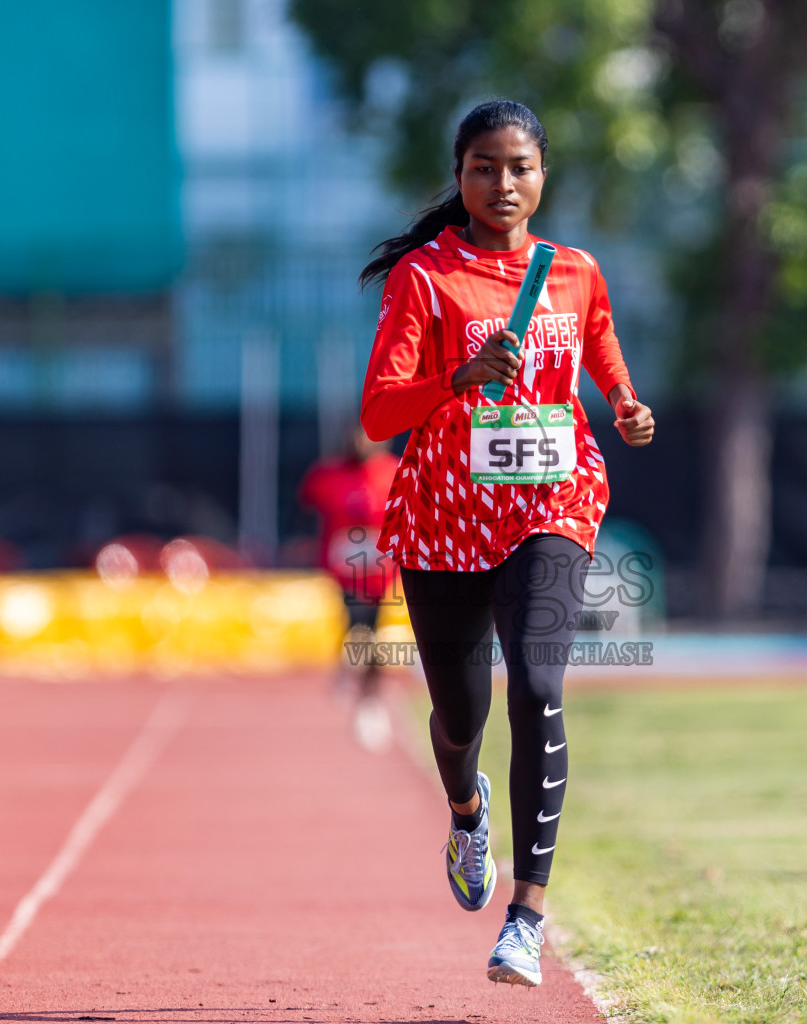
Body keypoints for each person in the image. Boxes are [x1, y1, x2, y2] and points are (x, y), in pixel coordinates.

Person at [359, 100, 654, 987]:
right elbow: (378, 414)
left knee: (536, 683)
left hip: (551, 506)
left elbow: (597, 341)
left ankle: (525, 917)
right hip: (447, 513)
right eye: (484, 166)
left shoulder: (574, 271)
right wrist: (455, 378)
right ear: (459, 176)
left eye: (519, 166)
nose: (503, 183)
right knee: (460, 717)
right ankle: (464, 806)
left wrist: (627, 404)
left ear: (542, 176)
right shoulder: (424, 278)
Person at [298, 426, 400, 751]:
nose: (362, 442)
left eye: (370, 436)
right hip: (346, 567)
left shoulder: (395, 471)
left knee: (374, 631)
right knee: (357, 622)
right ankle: (364, 694)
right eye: (358, 435)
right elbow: (308, 507)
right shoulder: (326, 475)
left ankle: (367, 694)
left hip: (384, 569)